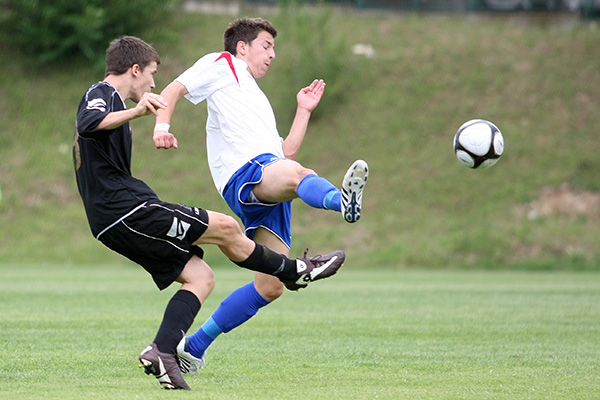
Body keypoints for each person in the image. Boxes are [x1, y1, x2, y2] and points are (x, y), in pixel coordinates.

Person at [72, 36, 345, 390]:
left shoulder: (115, 102)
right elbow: (87, 122)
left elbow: (285, 153)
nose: (154, 83)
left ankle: (163, 352)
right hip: (125, 209)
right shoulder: (103, 93)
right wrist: (143, 114)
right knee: (227, 227)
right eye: (151, 74)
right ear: (135, 70)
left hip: (117, 216)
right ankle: (294, 270)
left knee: (201, 277)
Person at [152, 17, 369, 375]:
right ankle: (340, 202)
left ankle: (193, 347)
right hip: (246, 173)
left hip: (270, 174)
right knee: (300, 176)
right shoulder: (223, 64)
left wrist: (303, 111)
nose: (272, 55)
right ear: (242, 47)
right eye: (266, 46)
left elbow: (286, 154)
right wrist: (162, 127)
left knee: (270, 286)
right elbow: (174, 89)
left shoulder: (254, 95)